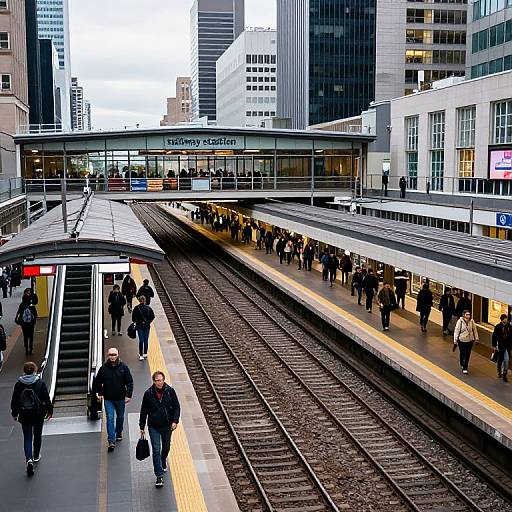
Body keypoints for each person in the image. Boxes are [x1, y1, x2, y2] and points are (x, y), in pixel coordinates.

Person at [11, 361, 53, 476]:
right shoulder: (40, 383)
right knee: (37, 434)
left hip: (24, 414)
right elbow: (46, 398)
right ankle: (36, 455)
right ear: (34, 370)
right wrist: (50, 411)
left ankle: (28, 459)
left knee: (28, 437)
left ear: (24, 371)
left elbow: (14, 401)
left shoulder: (19, 384)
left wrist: (14, 413)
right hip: (38, 414)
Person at [139, 371, 181, 488]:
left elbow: (177, 406)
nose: (159, 382)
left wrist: (175, 421)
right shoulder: (148, 394)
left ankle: (163, 459)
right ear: (153, 381)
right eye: (157, 380)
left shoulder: (170, 391)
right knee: (156, 450)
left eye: (161, 380)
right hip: (153, 426)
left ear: (164, 380)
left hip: (167, 426)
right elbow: (143, 411)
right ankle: (159, 475)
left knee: (166, 447)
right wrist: (141, 426)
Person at [93, 347, 133, 451]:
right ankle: (111, 440)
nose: (112, 357)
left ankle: (119, 431)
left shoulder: (124, 367)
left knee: (120, 417)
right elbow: (97, 382)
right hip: (108, 399)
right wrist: (100, 393)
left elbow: (129, 382)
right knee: (110, 418)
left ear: (118, 355)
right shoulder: (103, 368)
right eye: (110, 355)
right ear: (108, 355)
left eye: (114, 354)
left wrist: (128, 395)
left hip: (120, 399)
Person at [453, 310, 479, 375]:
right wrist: (455, 341)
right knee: (462, 352)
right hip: (462, 340)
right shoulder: (460, 322)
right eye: (467, 314)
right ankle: (462, 362)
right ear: (463, 315)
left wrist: (476, 338)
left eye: (469, 314)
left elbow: (474, 330)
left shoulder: (472, 321)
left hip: (470, 340)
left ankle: (465, 367)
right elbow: (456, 331)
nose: (468, 316)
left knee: (467, 354)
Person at [15, 287, 39, 355]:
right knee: (30, 335)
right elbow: (35, 311)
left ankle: (28, 348)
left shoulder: (23, 304)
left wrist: (17, 318)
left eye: (29, 292)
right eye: (27, 292)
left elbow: (19, 312)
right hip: (29, 322)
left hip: (25, 323)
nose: (28, 293)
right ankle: (29, 348)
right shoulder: (31, 305)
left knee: (26, 335)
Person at [132, 295, 156, 361]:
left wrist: (137, 321)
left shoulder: (136, 308)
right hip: (147, 327)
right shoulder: (148, 308)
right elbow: (153, 316)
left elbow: (133, 318)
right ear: (145, 300)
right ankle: (145, 353)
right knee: (146, 340)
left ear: (139, 300)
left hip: (139, 327)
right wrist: (148, 322)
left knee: (141, 340)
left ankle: (141, 355)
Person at [492, 314, 512, 382]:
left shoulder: (509, 326)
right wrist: (494, 345)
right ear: (502, 319)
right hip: (500, 346)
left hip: (508, 346)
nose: (506, 320)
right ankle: (499, 370)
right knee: (500, 359)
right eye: (505, 319)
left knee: (506, 359)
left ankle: (504, 374)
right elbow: (494, 336)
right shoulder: (498, 327)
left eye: (506, 319)